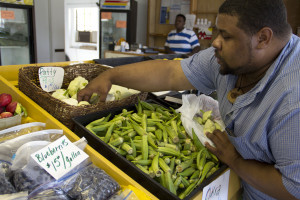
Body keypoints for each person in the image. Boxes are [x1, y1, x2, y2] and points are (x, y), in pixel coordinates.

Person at [78, 0, 300, 199]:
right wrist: (110, 75)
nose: (215, 42)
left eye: (227, 36)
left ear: (263, 38)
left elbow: (293, 187)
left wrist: (235, 161)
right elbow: (171, 73)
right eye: (217, 32)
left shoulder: (292, 99)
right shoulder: (232, 57)